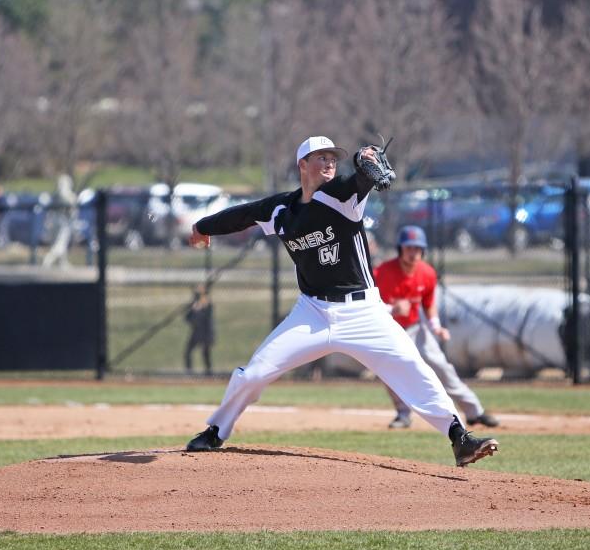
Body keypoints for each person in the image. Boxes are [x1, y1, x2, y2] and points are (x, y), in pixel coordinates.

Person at [183, 136, 499, 467]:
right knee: (254, 374)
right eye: (320, 157)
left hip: (363, 311)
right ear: (302, 165)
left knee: (413, 367)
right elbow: (243, 215)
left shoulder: (341, 196)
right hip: (312, 312)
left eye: (333, 157)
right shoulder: (281, 210)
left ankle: (459, 438)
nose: (330, 162)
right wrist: (202, 226)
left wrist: (365, 161)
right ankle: (216, 430)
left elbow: (359, 181)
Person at [374, 225, 499, 430]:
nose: (413, 253)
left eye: (417, 248)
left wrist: (436, 327)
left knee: (442, 367)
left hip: (416, 328)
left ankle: (474, 411)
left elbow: (428, 303)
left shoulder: (427, 273)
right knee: (391, 371)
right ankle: (403, 414)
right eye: (409, 248)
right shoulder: (382, 272)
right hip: (389, 331)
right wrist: (391, 309)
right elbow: (368, 303)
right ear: (400, 249)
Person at [183, 284, 215, 374]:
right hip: (196, 332)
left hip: (206, 332)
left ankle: (208, 372)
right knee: (188, 352)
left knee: (206, 354)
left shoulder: (208, 304)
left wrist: (200, 309)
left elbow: (206, 319)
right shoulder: (194, 304)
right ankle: (189, 372)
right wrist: (194, 309)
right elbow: (187, 318)